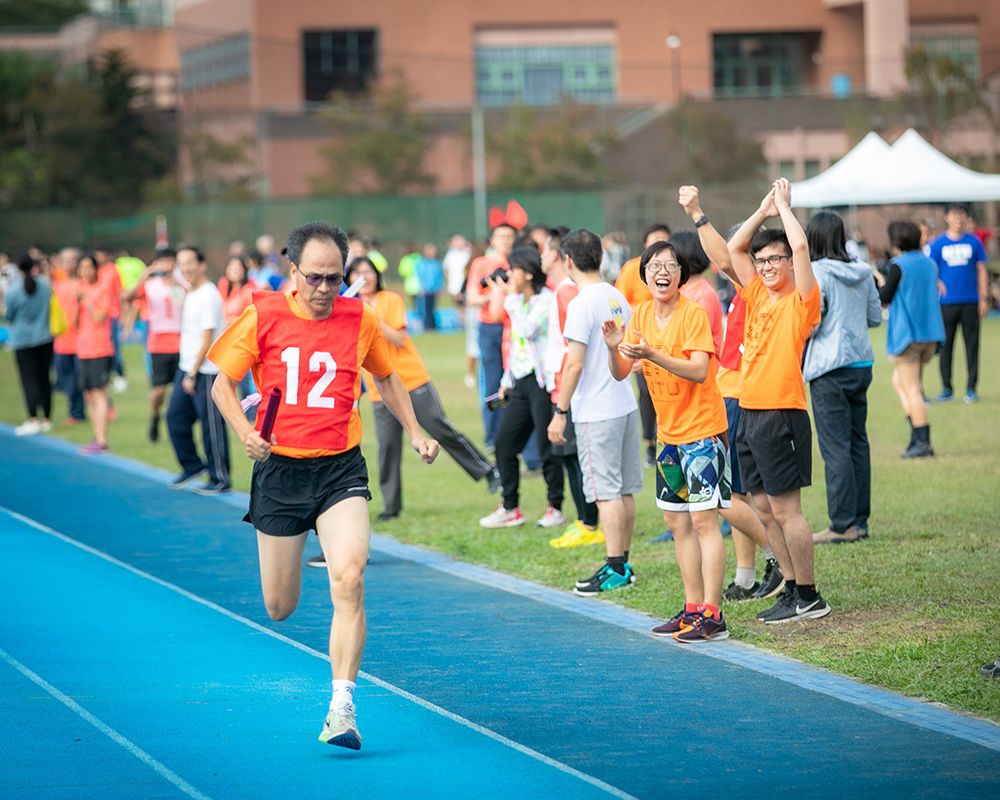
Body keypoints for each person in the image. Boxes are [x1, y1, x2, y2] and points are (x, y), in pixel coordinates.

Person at [208, 221, 439, 750]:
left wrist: (416, 431)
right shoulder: (263, 313)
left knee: (350, 577)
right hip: (280, 471)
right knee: (279, 606)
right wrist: (246, 434)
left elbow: (386, 376)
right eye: (314, 278)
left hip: (339, 469)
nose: (324, 289)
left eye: (335, 279)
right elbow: (222, 382)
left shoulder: (360, 316)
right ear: (293, 272)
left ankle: (342, 705)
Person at [605, 238, 731, 642]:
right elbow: (622, 371)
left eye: (671, 265)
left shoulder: (692, 314)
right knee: (677, 522)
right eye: (655, 265)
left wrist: (653, 355)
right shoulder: (640, 313)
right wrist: (613, 348)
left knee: (703, 520)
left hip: (703, 431)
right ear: (644, 274)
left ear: (682, 274)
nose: (662, 271)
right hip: (670, 436)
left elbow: (697, 371)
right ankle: (692, 608)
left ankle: (714, 614)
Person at [726, 178, 830, 624]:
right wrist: (763, 208)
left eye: (776, 259)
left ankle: (809, 594)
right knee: (764, 509)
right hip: (749, 412)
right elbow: (735, 249)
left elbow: (803, 249)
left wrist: (785, 208)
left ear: (789, 262)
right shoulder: (754, 294)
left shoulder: (802, 299)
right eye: (763, 260)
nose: (767, 266)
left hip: (782, 412)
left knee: (787, 510)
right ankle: (791, 588)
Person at [677, 190, 782, 603]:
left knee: (734, 496)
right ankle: (746, 576)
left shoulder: (757, 286)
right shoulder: (745, 292)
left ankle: (777, 560)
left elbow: (724, 256)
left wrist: (698, 214)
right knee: (736, 493)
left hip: (743, 396)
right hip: (731, 395)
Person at [348, 256, 497, 521]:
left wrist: (369, 315)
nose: (363, 276)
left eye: (368, 271)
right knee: (388, 447)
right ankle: (391, 507)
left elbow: (397, 338)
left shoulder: (389, 300)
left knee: (440, 428)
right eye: (357, 272)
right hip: (378, 388)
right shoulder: (348, 308)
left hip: (411, 380)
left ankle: (488, 471)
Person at [549, 228, 642, 595]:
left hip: (597, 411)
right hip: (624, 404)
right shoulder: (617, 296)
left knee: (606, 493)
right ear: (600, 258)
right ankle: (624, 561)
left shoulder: (580, 302)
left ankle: (615, 566)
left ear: (567, 261)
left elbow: (574, 365)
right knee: (625, 490)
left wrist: (560, 410)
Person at [803, 211, 882, 544]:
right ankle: (859, 521)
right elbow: (875, 317)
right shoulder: (863, 272)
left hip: (829, 367)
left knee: (835, 448)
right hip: (861, 364)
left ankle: (841, 524)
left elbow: (813, 322)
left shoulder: (815, 274)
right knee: (857, 444)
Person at [479, 247, 565, 529]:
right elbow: (518, 345)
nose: (508, 275)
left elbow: (529, 330)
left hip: (542, 384)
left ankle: (555, 507)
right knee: (504, 442)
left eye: (513, 269)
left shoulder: (545, 301)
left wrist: (509, 299)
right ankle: (510, 507)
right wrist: (506, 382)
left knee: (545, 445)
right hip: (519, 382)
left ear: (527, 273)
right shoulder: (518, 301)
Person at [542, 227, 602, 548]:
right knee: (568, 456)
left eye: (543, 251)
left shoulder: (568, 292)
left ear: (561, 257)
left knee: (574, 457)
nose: (540, 257)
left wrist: (561, 402)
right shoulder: (564, 290)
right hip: (560, 383)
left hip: (569, 387)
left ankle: (588, 522)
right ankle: (585, 520)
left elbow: (573, 349)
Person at [166, 246, 231, 494]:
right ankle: (193, 465)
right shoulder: (191, 293)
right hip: (187, 368)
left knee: (210, 426)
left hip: (206, 370)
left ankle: (220, 478)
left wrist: (193, 372)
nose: (185, 269)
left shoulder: (208, 295)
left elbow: (207, 337)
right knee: (175, 418)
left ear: (202, 264)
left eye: (190, 263)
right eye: (181, 264)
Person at [880, 221, 946, 458]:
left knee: (912, 388)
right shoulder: (929, 263)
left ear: (896, 241)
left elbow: (884, 297)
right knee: (900, 382)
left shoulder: (897, 266)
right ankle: (916, 435)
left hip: (909, 335)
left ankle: (922, 442)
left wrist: (879, 282)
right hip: (930, 334)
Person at [615, 223, 671, 467]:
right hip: (641, 341)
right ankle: (650, 442)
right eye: (654, 239)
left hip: (670, 341)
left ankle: (668, 440)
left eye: (664, 240)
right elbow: (620, 304)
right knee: (647, 392)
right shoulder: (631, 269)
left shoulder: (674, 271)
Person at [927, 203, 989, 404]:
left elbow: (981, 270)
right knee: (946, 347)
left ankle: (971, 388)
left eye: (961, 214)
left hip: (970, 301)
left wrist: (983, 297)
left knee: (972, 345)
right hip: (946, 303)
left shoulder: (974, 242)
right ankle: (947, 387)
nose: (958, 218)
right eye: (954, 214)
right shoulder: (938, 244)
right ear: (947, 217)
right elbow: (931, 271)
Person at [125, 249, 186, 443]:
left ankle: (177, 426)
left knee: (181, 390)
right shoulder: (150, 285)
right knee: (159, 389)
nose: (167, 266)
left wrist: (180, 283)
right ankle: (154, 416)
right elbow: (128, 296)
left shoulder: (183, 284)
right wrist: (145, 274)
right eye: (163, 262)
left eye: (171, 262)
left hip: (182, 342)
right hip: (159, 343)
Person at [467, 223, 517, 449]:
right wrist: (495, 293)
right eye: (501, 236)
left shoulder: (518, 264)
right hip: (490, 328)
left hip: (516, 328)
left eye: (509, 236)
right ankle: (492, 437)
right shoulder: (482, 264)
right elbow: (471, 298)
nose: (506, 240)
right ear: (492, 241)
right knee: (492, 380)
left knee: (517, 381)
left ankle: (516, 435)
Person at [5, 252, 54, 436]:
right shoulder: (45, 284)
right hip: (44, 338)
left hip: (23, 341)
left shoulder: (15, 289)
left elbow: (9, 315)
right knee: (44, 378)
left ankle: (33, 417)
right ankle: (47, 418)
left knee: (29, 380)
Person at [74, 252, 117, 453]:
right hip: (82, 349)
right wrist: (76, 302)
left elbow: (100, 317)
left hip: (100, 348)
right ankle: (96, 436)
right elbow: (74, 323)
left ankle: (102, 439)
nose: (85, 271)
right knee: (88, 395)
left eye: (88, 267)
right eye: (81, 268)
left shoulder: (103, 289)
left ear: (95, 269)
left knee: (99, 393)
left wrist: (88, 301)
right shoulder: (79, 289)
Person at [51, 251, 86, 426]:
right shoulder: (57, 284)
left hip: (81, 341)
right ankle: (75, 411)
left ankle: (79, 413)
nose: (67, 264)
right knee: (66, 380)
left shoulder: (83, 285)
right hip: (61, 341)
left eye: (71, 260)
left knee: (81, 381)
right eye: (64, 260)